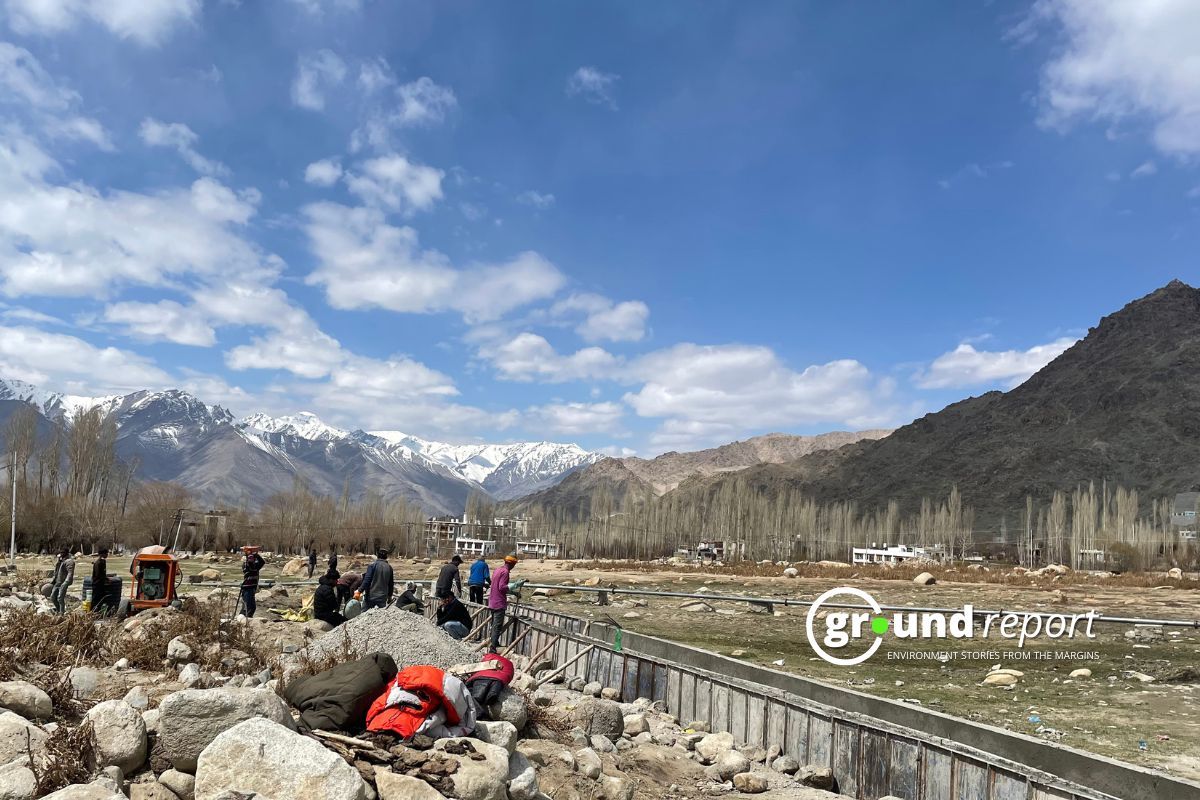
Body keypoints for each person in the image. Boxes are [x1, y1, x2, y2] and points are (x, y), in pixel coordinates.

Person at [486, 555, 519, 652]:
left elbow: (496, 585)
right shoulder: (505, 572)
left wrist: (513, 592)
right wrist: (514, 586)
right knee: (497, 626)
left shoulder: (497, 570)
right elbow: (502, 587)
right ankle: (493, 648)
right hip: (499, 602)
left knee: (493, 624)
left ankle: (494, 643)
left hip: (492, 600)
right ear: (512, 564)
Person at [240, 546, 266, 618]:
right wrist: (249, 553)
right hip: (247, 588)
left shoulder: (255, 566)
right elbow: (250, 563)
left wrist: (256, 555)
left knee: (252, 607)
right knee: (247, 607)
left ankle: (247, 619)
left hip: (252, 589)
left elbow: (262, 562)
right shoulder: (246, 565)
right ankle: (242, 620)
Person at [50, 548, 74, 615]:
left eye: (63, 553)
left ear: (67, 553)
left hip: (63, 582)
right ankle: (58, 610)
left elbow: (70, 573)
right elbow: (56, 571)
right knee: (53, 597)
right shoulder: (61, 561)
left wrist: (66, 582)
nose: (61, 554)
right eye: (61, 553)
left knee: (60, 598)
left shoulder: (69, 561)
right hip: (57, 582)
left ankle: (62, 612)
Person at [91, 548, 110, 615]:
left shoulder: (102, 561)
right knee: (95, 599)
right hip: (97, 584)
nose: (107, 555)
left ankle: (99, 612)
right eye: (106, 553)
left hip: (100, 584)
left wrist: (106, 578)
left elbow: (102, 573)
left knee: (101, 599)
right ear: (102, 554)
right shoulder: (98, 563)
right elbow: (98, 574)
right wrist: (105, 579)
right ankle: (93, 613)